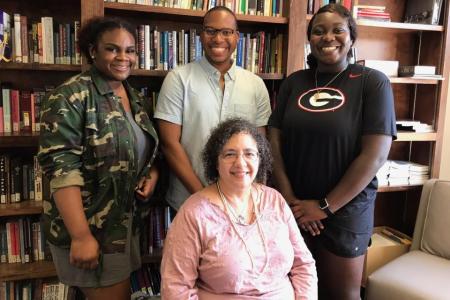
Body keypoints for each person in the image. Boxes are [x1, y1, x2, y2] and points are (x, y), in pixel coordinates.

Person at [268, 4, 396, 300]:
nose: (328, 37)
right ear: (310, 39)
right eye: (319, 31)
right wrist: (293, 202)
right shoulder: (294, 82)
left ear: (351, 37)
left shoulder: (372, 82)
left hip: (346, 212)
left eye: (338, 30)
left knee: (340, 294)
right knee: (294, 290)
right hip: (295, 209)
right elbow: (274, 141)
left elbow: (374, 156)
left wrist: (324, 207)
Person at [38, 17, 159, 300]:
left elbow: (143, 150)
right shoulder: (69, 97)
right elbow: (61, 171)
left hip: (124, 227)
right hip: (91, 232)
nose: (123, 57)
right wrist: (81, 237)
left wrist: (152, 174)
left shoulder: (133, 96)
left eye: (130, 50)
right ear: (93, 51)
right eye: (112, 49)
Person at [161, 118, 317, 299]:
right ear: (215, 162)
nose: (240, 163)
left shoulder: (274, 200)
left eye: (249, 154)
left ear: (260, 159)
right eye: (229, 154)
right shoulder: (194, 213)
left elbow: (304, 265)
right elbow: (175, 288)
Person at [154, 6, 271, 210]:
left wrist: (253, 198)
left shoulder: (255, 85)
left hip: (240, 203)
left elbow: (260, 148)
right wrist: (203, 196)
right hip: (189, 201)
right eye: (211, 31)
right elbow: (169, 144)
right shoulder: (178, 79)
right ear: (201, 35)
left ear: (237, 37)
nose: (218, 39)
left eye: (226, 32)